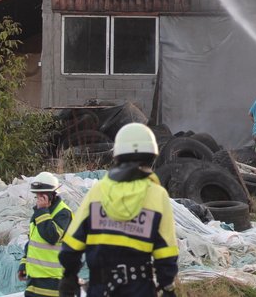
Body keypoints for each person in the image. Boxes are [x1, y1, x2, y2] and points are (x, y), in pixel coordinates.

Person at [59, 123, 179, 297]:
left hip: (101, 289)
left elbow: (71, 244)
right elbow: (166, 250)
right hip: (139, 288)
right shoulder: (157, 195)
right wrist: (167, 286)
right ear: (151, 158)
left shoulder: (98, 191)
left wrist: (69, 276)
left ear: (117, 156)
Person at [19, 172, 74, 297]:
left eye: (42, 195)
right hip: (35, 279)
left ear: (52, 195)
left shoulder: (63, 213)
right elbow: (33, 241)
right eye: (37, 195)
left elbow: (51, 237)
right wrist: (24, 264)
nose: (38, 198)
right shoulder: (39, 212)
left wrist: (42, 210)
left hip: (54, 281)